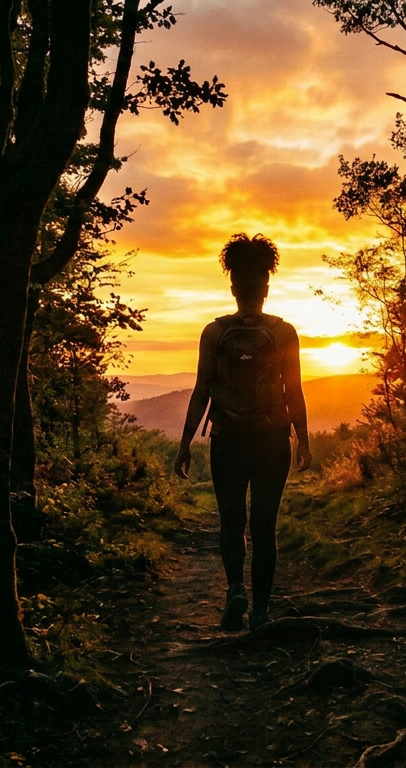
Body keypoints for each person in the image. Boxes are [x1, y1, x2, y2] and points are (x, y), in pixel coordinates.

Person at [174, 233, 312, 632]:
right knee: (264, 525)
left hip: (228, 439)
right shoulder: (285, 332)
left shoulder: (214, 333)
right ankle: (262, 612)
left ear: (233, 286)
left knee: (231, 520)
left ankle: (235, 589)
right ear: (266, 287)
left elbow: (201, 391)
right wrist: (302, 439)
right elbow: (294, 391)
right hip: (271, 440)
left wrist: (184, 444)